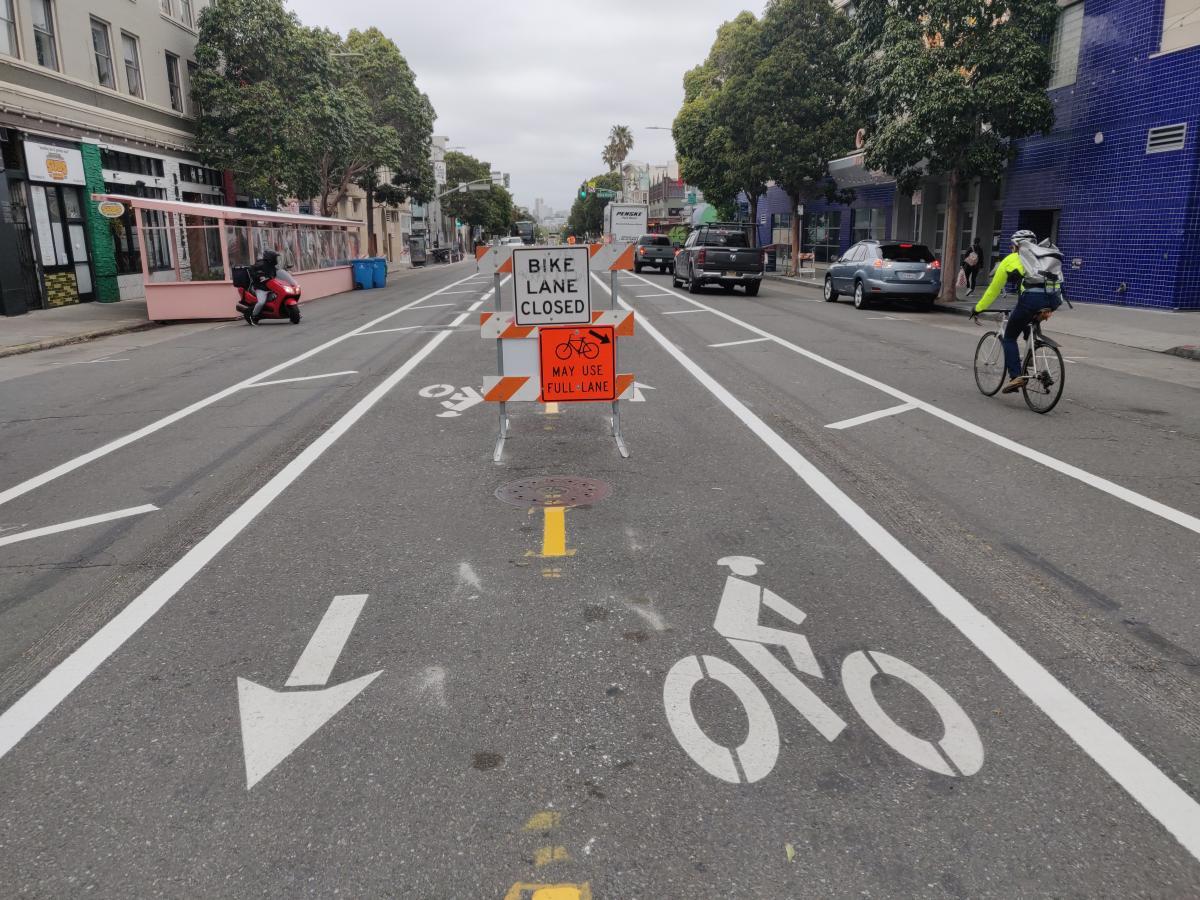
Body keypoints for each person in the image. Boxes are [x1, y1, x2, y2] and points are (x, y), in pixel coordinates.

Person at [973, 230, 1061, 393]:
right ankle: (1031, 356)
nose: (1011, 248)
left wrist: (978, 308)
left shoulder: (1011, 259)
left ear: (1016, 246)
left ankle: (1016, 376)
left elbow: (993, 290)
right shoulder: (1043, 257)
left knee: (1009, 337)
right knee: (1026, 322)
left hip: (1031, 301)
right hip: (1053, 300)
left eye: (1012, 245)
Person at [249, 248, 279, 325]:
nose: (276, 259)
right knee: (261, 302)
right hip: (261, 288)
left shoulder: (272, 266)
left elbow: (275, 274)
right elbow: (251, 270)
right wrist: (259, 276)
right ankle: (253, 316)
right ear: (270, 258)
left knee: (281, 297)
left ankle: (292, 314)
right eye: (275, 257)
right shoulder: (260, 264)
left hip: (271, 287)